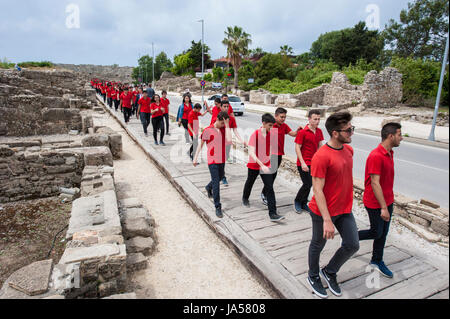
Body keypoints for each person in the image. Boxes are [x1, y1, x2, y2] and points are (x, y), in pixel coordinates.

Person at [306, 111, 359, 299]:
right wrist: (327, 220)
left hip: (344, 210)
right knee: (317, 244)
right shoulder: (321, 156)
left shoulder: (349, 151)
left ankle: (329, 271)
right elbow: (317, 190)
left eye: (352, 129)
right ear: (335, 133)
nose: (351, 132)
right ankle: (313, 276)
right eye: (348, 130)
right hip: (322, 212)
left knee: (352, 244)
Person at [358, 122, 403, 278]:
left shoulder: (390, 152)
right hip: (375, 202)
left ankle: (377, 260)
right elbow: (375, 182)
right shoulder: (376, 155)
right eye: (399, 135)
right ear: (390, 136)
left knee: (383, 233)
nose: (401, 138)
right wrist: (383, 207)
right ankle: (351, 237)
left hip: (387, 201)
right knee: (376, 231)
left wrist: (389, 201)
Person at [242, 113, 285, 222]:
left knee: (269, 188)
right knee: (250, 181)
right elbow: (251, 152)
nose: (271, 128)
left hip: (265, 165)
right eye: (270, 125)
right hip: (254, 164)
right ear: (264, 123)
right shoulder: (255, 134)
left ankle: (273, 213)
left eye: (272, 126)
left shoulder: (271, 134)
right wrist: (261, 165)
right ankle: (245, 198)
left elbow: (270, 149)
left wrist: (269, 163)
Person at [193, 111, 232, 218]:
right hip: (212, 160)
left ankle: (207, 187)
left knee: (220, 177)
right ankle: (217, 206)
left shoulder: (224, 129)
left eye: (225, 124)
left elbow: (229, 140)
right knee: (216, 182)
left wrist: (227, 125)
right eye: (222, 123)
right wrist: (195, 158)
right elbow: (200, 145)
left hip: (222, 159)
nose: (223, 126)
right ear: (218, 120)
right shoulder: (207, 130)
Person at [261, 107, 301, 206]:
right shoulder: (271, 125)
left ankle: (264, 193)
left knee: (273, 177)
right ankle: (265, 195)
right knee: (269, 177)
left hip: (279, 155)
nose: (283, 119)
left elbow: (292, 134)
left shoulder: (284, 126)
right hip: (270, 155)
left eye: (284, 117)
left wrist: (298, 131)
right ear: (276, 116)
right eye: (281, 117)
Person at [294, 109, 324, 213]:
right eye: (315, 119)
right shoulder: (302, 132)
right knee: (307, 184)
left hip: (314, 163)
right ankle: (297, 201)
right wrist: (302, 163)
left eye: (319, 119)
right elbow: (297, 147)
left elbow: (320, 146)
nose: (317, 121)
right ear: (309, 119)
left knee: (311, 184)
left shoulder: (319, 131)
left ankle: (303, 203)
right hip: (303, 163)